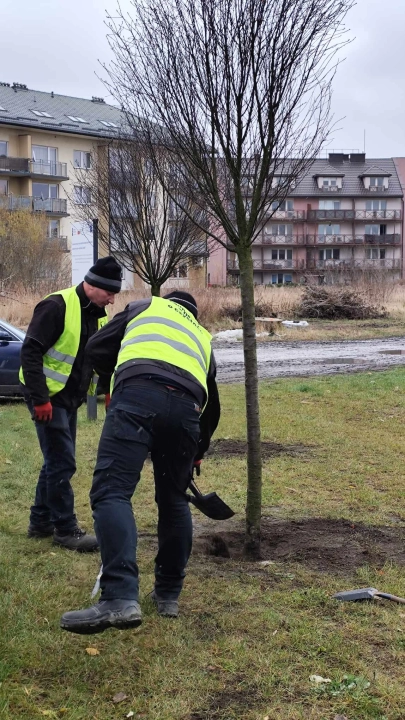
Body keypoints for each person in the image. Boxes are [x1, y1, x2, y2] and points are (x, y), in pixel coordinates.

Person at [60, 291, 220, 634]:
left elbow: (97, 347)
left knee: (112, 492)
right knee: (175, 501)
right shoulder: (202, 337)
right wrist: (197, 451)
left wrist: (117, 375)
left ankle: (119, 598)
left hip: (137, 395)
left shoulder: (147, 305)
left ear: (170, 302)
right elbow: (212, 404)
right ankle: (168, 594)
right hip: (186, 413)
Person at [20, 256, 122, 552]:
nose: (112, 299)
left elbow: (101, 357)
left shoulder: (96, 313)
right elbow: (30, 353)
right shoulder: (57, 306)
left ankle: (40, 522)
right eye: (109, 293)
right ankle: (65, 530)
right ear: (92, 286)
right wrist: (40, 400)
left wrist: (107, 390)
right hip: (47, 397)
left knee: (56, 460)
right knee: (62, 461)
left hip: (70, 398)